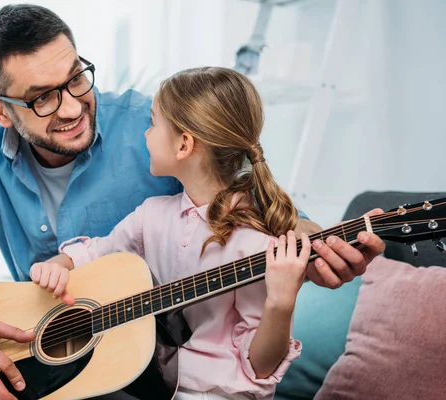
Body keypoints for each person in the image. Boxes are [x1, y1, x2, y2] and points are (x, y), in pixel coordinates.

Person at [0, 4, 386, 400]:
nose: (71, 107)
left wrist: (320, 245)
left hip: (149, 367)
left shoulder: (151, 127)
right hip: (52, 357)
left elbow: (252, 200)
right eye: (42, 97)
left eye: (76, 78)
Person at [34, 67, 310, 400]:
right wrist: (59, 265)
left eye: (152, 124)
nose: (146, 135)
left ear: (183, 145)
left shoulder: (256, 242)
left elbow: (261, 368)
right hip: (154, 387)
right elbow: (96, 255)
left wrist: (280, 303)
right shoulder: (150, 217)